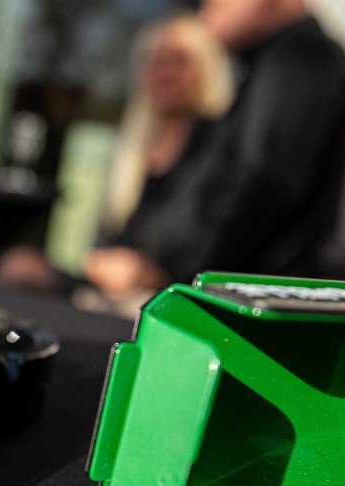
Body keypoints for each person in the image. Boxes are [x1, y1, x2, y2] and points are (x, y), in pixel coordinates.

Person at [88, 0, 345, 302]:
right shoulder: (275, 61)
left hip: (253, 307)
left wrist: (174, 282)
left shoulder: (302, 57)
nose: (208, 9)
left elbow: (262, 189)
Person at [84, 12, 233, 309]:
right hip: (113, 297)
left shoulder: (220, 146)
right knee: (21, 268)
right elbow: (106, 238)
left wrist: (146, 275)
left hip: (175, 302)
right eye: (156, 62)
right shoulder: (132, 147)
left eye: (179, 61)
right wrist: (101, 264)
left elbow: (213, 249)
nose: (165, 73)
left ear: (205, 69)